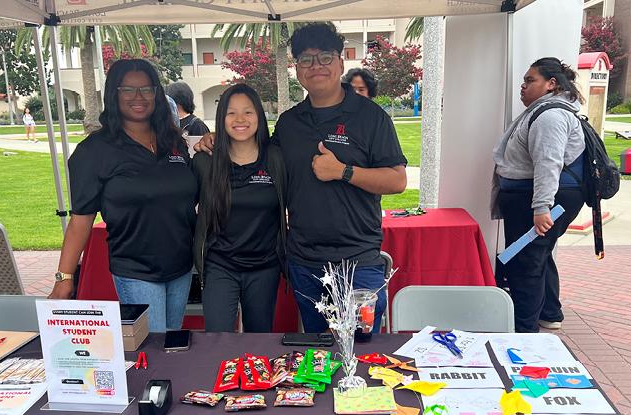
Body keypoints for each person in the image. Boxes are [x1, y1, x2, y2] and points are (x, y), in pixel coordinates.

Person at [196, 23, 407, 333]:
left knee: (360, 355)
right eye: (306, 59)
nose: (316, 66)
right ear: (297, 68)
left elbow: (397, 181)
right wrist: (217, 137)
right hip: (305, 262)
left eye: (325, 57)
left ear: (340, 62)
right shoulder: (289, 123)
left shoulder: (371, 117)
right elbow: (255, 151)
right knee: (318, 354)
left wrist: (344, 172)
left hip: (358, 261)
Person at [49, 59, 198, 332]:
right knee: (151, 351)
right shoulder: (94, 151)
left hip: (180, 266)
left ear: (157, 93)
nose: (138, 97)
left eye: (146, 89)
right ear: (113, 94)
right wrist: (64, 277)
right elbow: (80, 222)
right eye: (128, 90)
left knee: (171, 345)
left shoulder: (173, 142)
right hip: (137, 270)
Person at [493, 57, 586, 333]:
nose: (523, 86)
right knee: (539, 255)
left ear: (551, 84)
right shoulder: (544, 111)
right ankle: (549, 312)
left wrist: (541, 207)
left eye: (530, 80)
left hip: (537, 200)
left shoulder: (550, 116)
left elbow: (549, 162)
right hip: (531, 199)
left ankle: (524, 331)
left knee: (526, 264)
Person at [192, 84, 286, 333]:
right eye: (231, 113)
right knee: (217, 339)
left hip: (264, 267)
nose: (240, 119)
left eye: (248, 112)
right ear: (221, 118)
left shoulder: (275, 158)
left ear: (259, 116)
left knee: (258, 340)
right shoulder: (205, 161)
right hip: (220, 265)